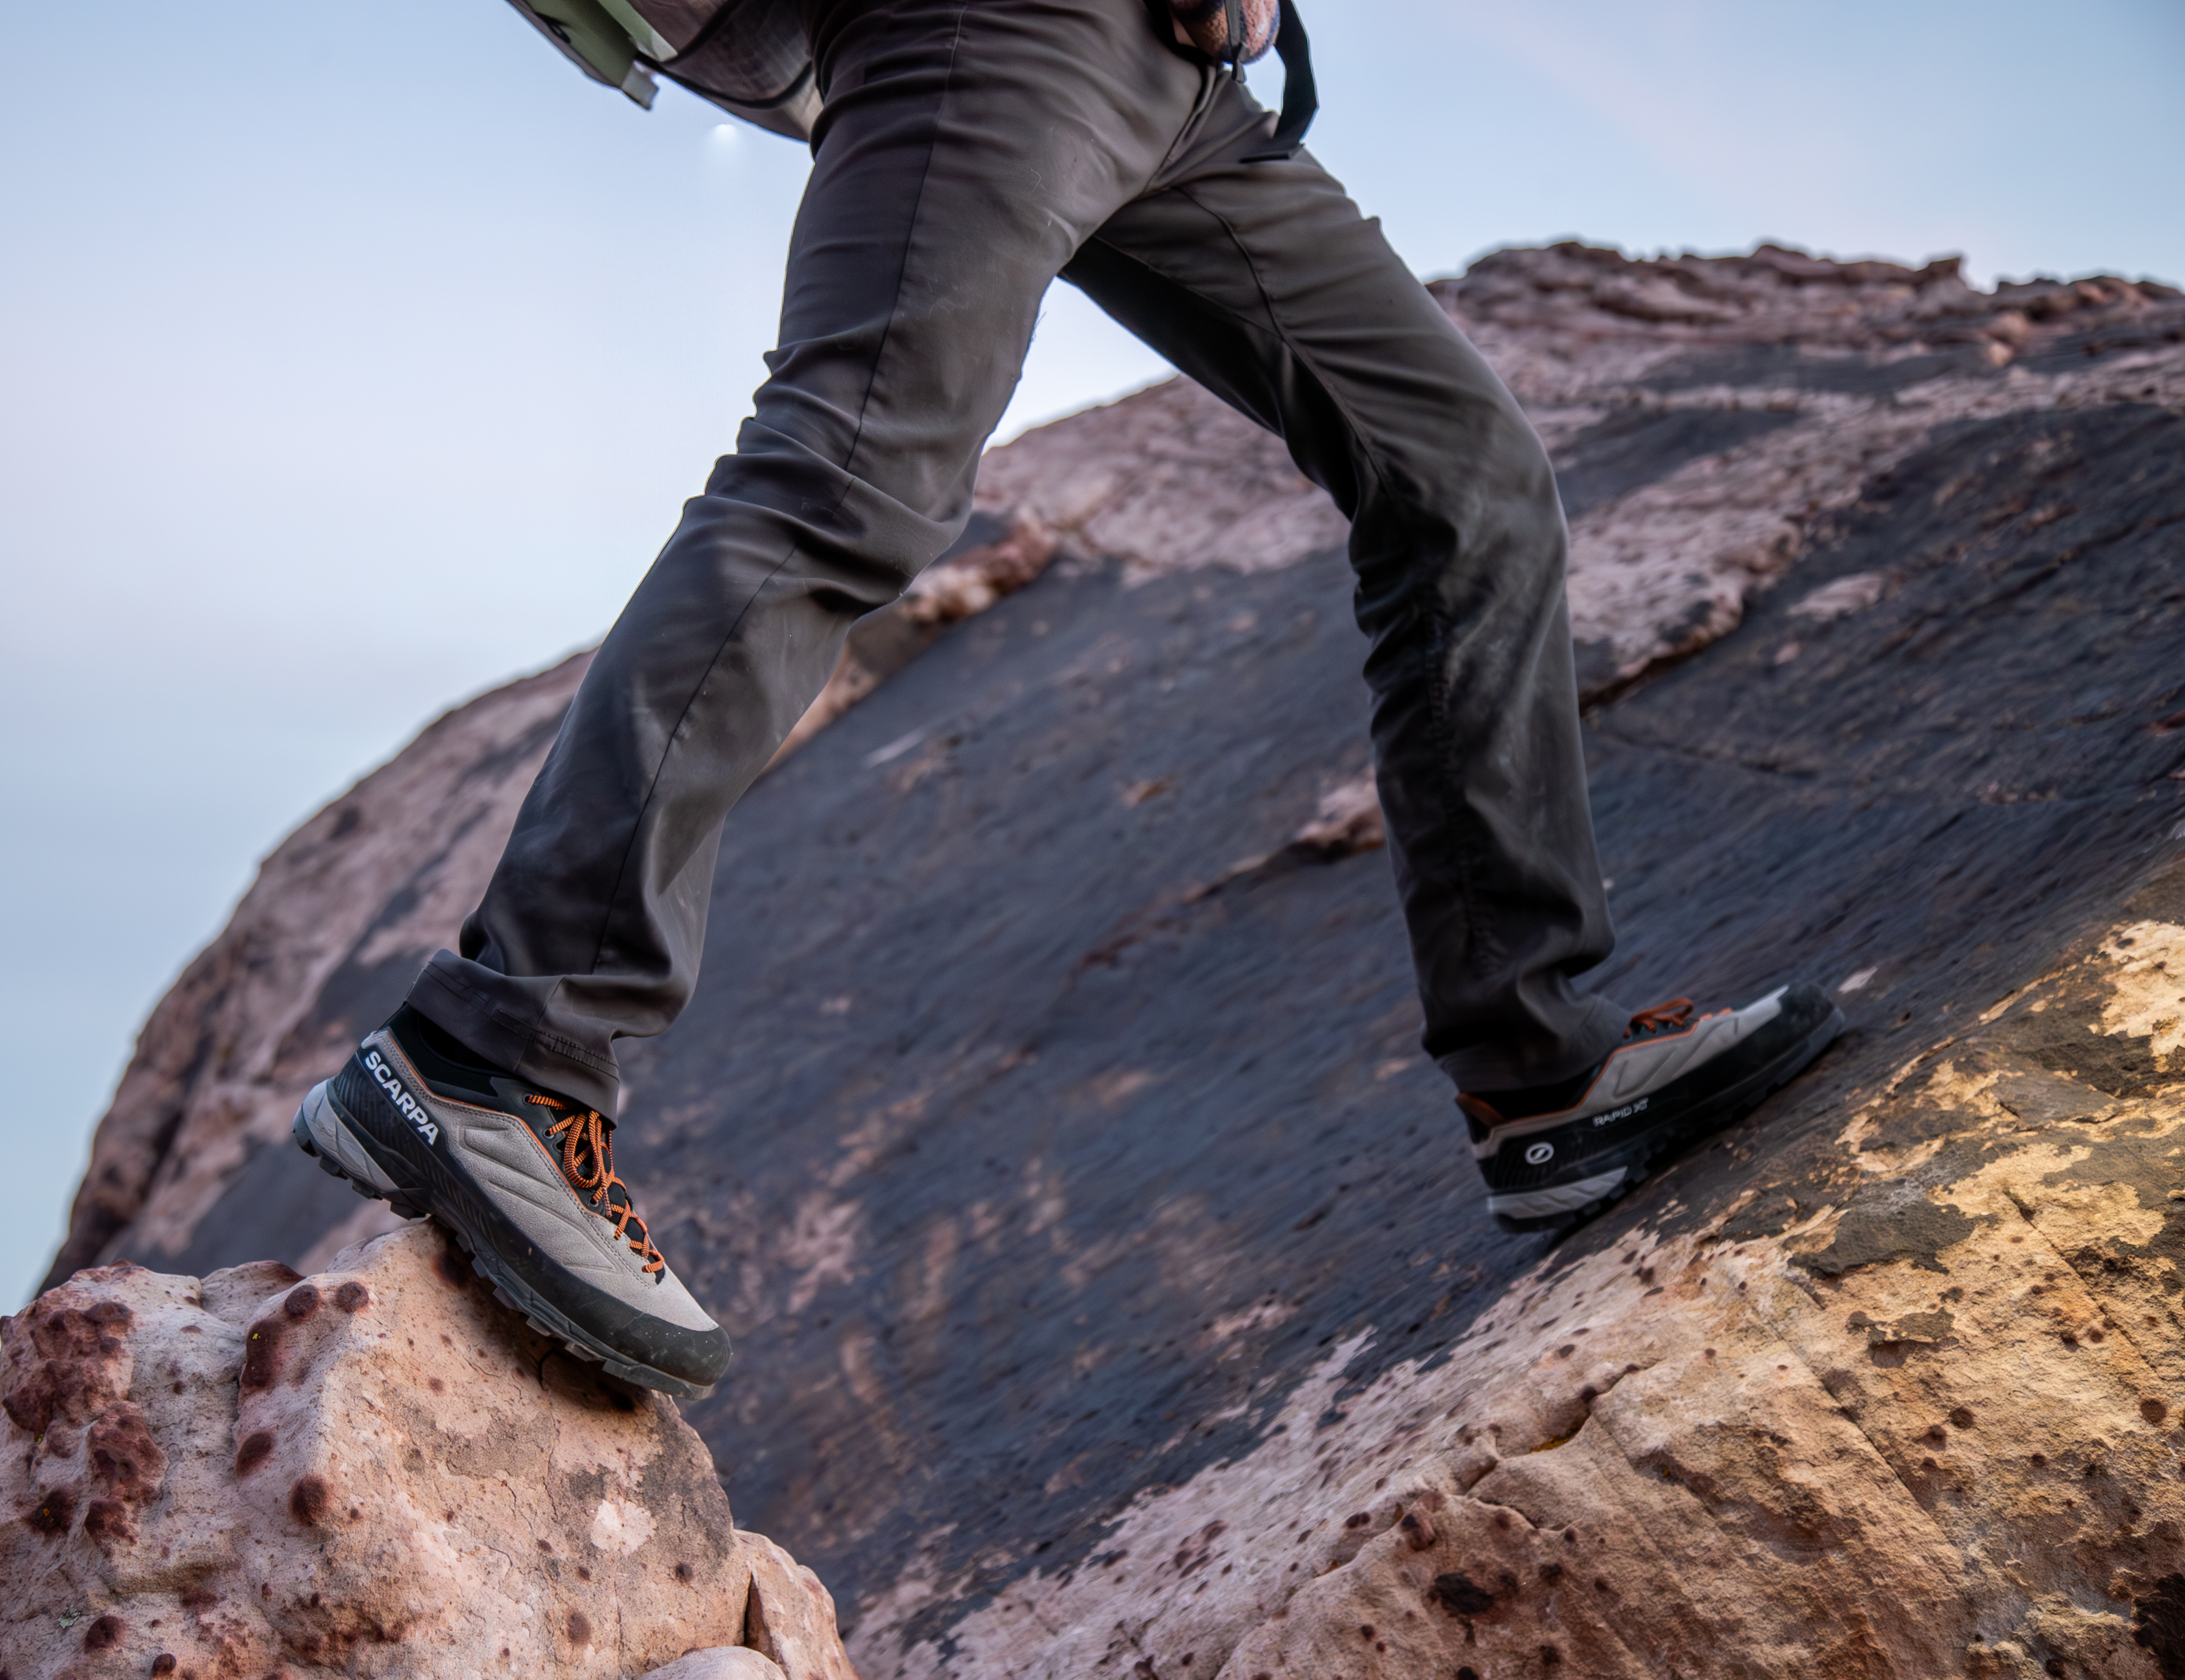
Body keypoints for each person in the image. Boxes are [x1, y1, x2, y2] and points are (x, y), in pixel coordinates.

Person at [287, 0, 1843, 1400]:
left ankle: (1545, 1080)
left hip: (1178, 76)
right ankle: (500, 1050)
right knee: (846, 478)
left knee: (1465, 483)